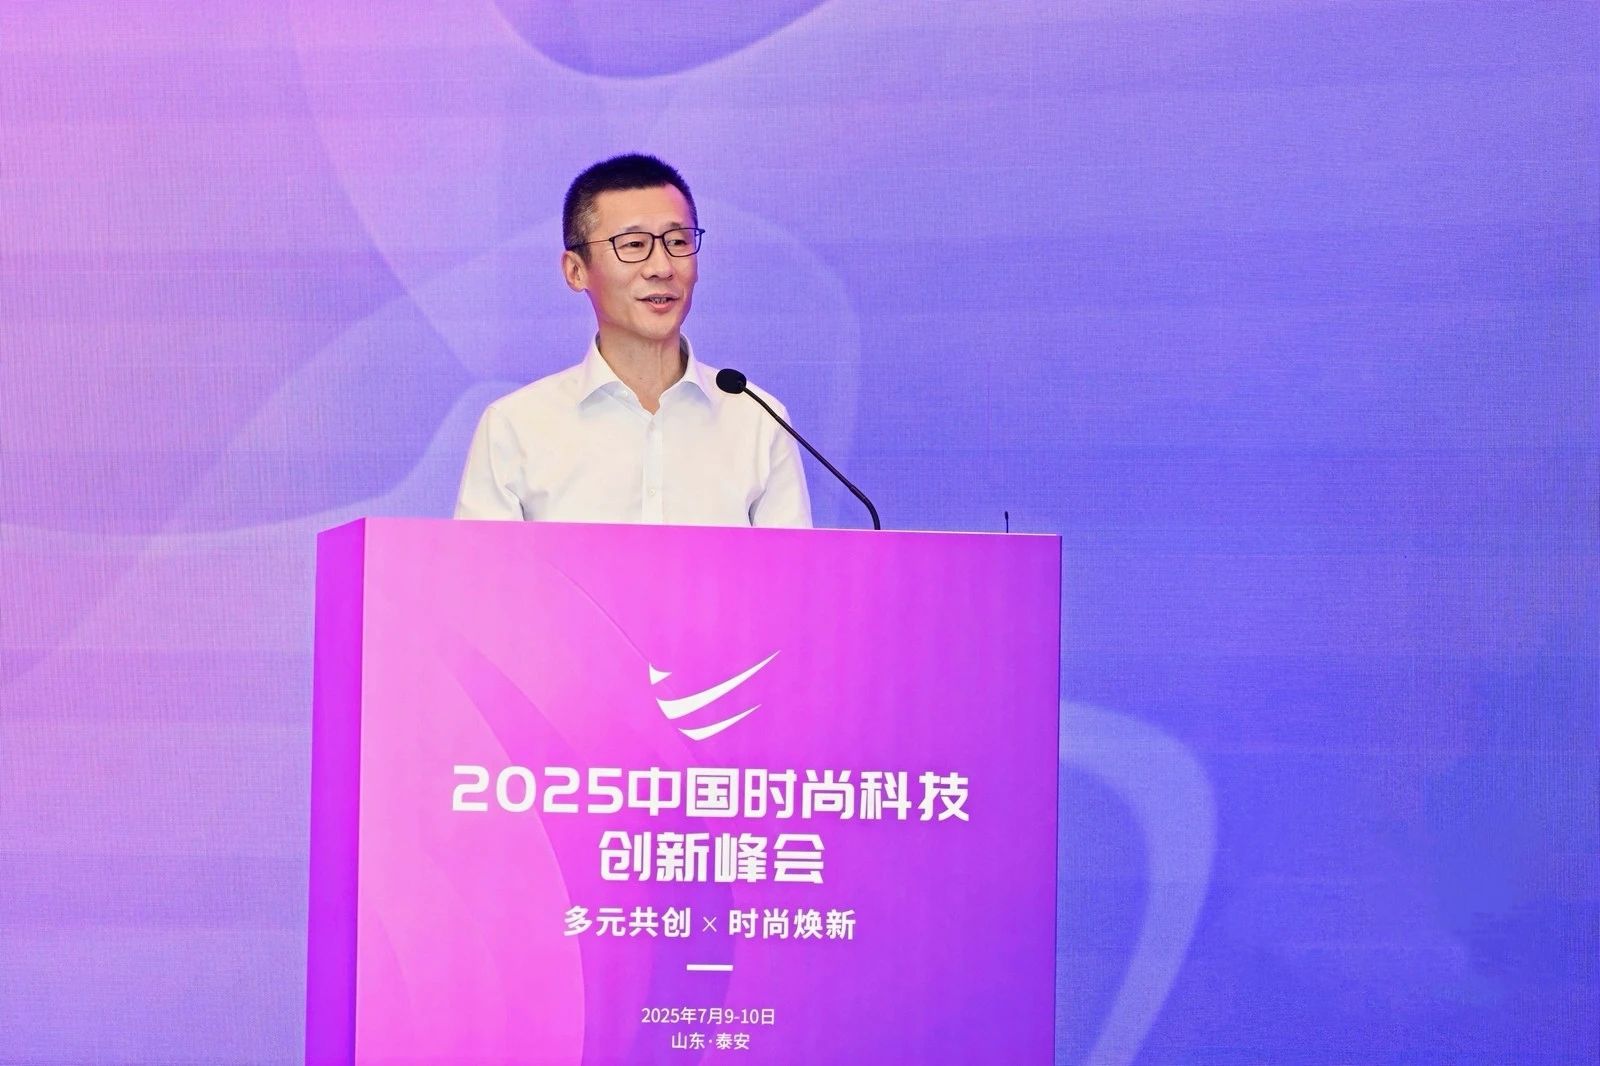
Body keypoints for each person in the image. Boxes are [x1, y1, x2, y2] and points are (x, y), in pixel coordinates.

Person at [453, 154, 812, 527]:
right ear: (576, 270)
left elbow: (796, 565)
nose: (661, 267)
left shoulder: (758, 421)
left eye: (677, 241)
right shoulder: (515, 427)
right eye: (634, 245)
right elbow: (483, 567)